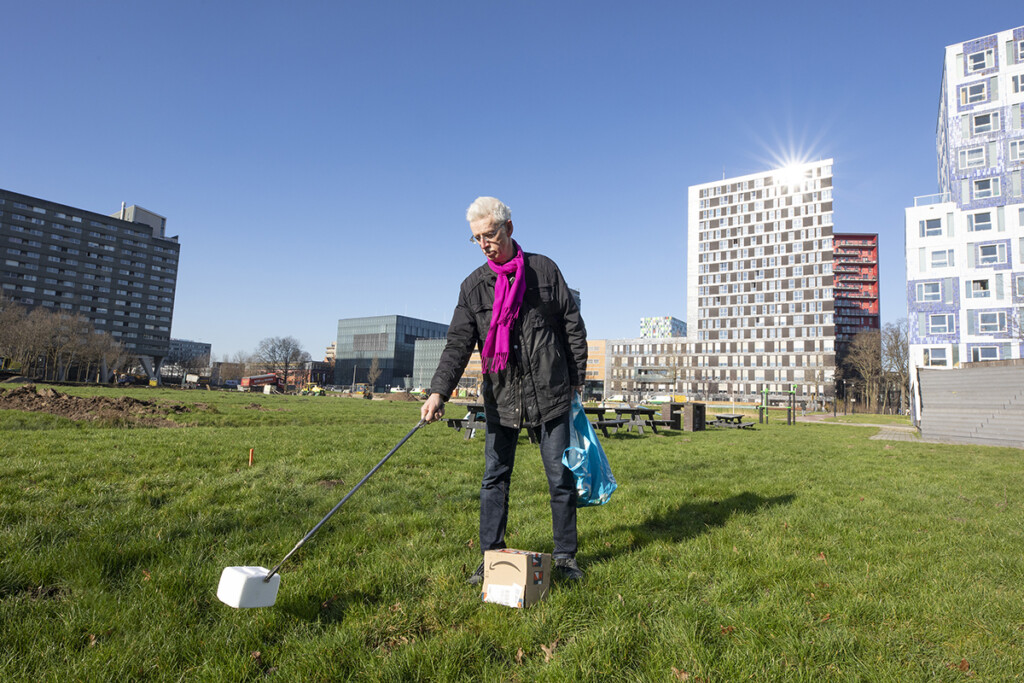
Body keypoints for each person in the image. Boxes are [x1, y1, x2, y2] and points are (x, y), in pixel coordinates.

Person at [421, 196, 588, 583]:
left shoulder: (543, 271)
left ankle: (565, 557)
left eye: (489, 234)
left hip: (551, 394)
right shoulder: (474, 287)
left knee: (560, 478)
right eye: (476, 238)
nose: (484, 244)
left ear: (508, 229)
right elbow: (457, 344)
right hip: (501, 398)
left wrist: (576, 380)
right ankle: (491, 558)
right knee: (494, 479)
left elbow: (572, 327)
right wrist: (438, 392)